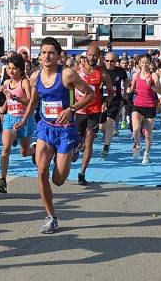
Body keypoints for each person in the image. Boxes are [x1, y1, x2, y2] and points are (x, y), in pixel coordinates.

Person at [20, 37, 94, 233]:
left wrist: (71, 109)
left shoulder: (67, 74)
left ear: (59, 55)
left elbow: (90, 95)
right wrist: (24, 119)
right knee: (41, 171)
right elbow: (33, 102)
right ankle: (51, 217)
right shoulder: (35, 77)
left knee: (58, 180)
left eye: (51, 52)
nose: (46, 56)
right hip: (45, 127)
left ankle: (72, 149)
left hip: (65, 130)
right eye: (43, 52)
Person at [0, 54, 35, 194]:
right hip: (10, 119)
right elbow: (8, 96)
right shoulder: (7, 83)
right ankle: (3, 179)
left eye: (15, 69)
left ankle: (34, 151)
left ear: (21, 69)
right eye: (9, 68)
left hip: (25, 120)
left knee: (24, 152)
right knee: (5, 148)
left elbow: (30, 101)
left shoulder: (25, 82)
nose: (11, 72)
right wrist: (5, 105)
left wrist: (16, 98)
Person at [74, 44, 112, 185]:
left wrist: (105, 102)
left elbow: (111, 92)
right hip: (79, 111)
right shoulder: (77, 72)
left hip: (94, 111)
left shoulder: (102, 74)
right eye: (90, 55)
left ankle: (82, 173)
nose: (92, 57)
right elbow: (69, 87)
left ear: (99, 57)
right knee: (78, 141)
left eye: (95, 55)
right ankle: (76, 148)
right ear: (86, 55)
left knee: (89, 141)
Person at [130, 54, 161, 164]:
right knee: (136, 128)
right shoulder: (135, 75)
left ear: (150, 63)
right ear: (139, 63)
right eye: (142, 62)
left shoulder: (154, 75)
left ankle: (146, 154)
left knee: (148, 135)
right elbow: (132, 88)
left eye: (147, 62)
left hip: (150, 106)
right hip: (137, 104)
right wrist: (130, 90)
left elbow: (160, 90)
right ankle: (138, 145)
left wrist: (151, 85)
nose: (144, 64)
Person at [100, 52, 128, 158]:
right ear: (104, 61)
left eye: (112, 61)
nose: (109, 63)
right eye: (107, 61)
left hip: (115, 100)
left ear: (116, 61)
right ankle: (106, 134)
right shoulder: (100, 70)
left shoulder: (121, 71)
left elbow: (126, 80)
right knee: (102, 126)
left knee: (110, 122)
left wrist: (125, 91)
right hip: (101, 101)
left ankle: (106, 147)